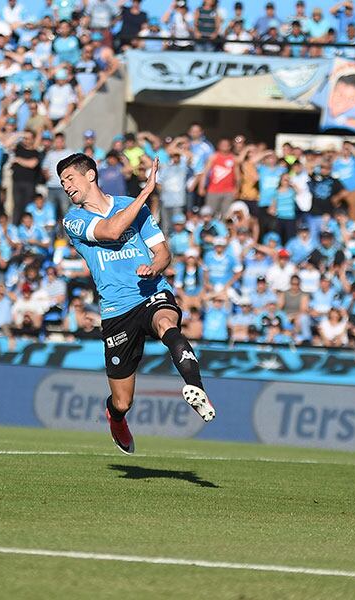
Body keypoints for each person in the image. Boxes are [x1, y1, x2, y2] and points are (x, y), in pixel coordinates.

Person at [58, 153, 215, 454]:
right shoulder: (74, 220)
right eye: (62, 182)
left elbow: (163, 253)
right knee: (122, 401)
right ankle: (115, 418)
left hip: (151, 291)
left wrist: (155, 267)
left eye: (70, 178)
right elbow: (113, 231)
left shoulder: (133, 206)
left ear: (90, 175)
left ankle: (196, 388)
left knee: (167, 323)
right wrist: (146, 192)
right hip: (117, 309)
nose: (66, 186)